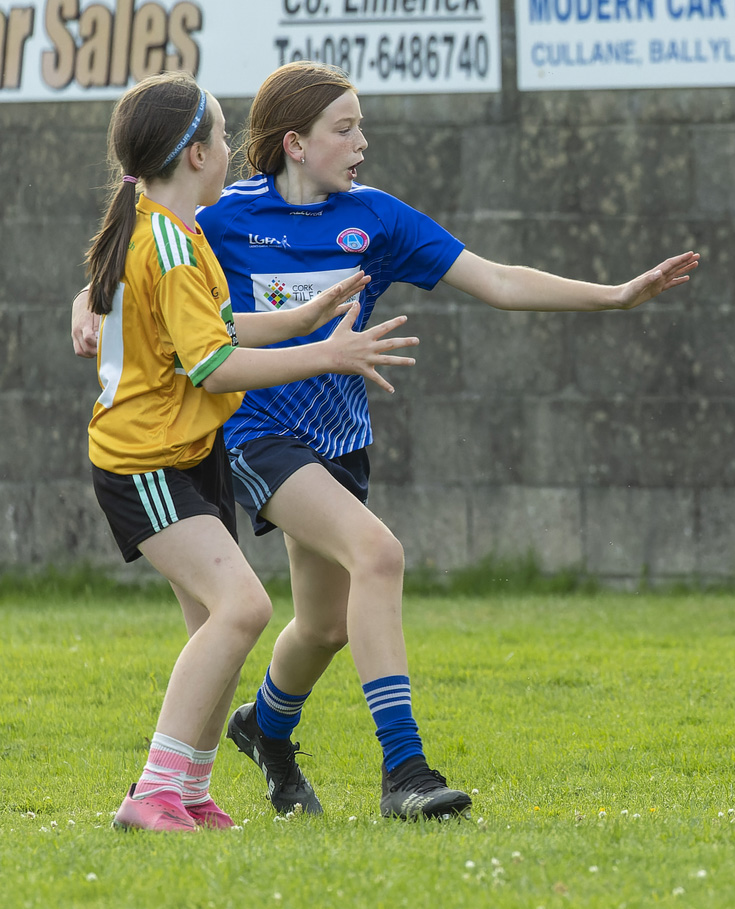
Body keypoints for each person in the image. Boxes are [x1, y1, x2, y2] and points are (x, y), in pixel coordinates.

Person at [73, 62, 698, 821]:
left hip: (337, 440)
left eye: (361, 126)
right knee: (377, 553)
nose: (362, 142)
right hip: (253, 433)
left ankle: (263, 730)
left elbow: (498, 280)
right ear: (295, 143)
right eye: (346, 128)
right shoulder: (221, 216)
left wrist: (615, 294)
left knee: (325, 626)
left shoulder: (376, 219)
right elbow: (145, 264)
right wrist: (88, 301)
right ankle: (405, 772)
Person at [83, 72, 415, 831]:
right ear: (196, 155)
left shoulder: (175, 231)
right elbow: (215, 367)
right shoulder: (170, 246)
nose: (234, 150)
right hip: (146, 464)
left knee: (217, 626)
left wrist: (303, 318)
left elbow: (219, 330)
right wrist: (325, 353)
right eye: (224, 137)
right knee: (244, 607)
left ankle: (191, 793)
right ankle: (154, 793)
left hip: (185, 454)